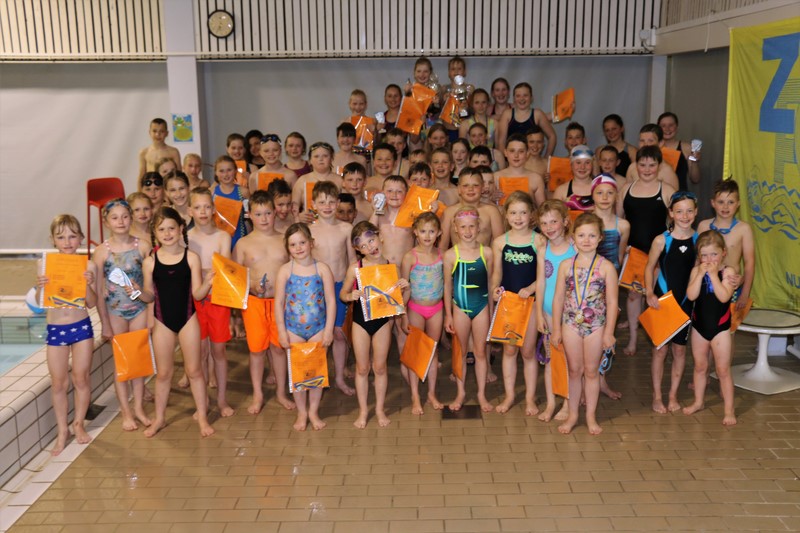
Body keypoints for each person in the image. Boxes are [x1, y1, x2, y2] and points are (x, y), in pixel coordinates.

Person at [136, 207, 215, 438]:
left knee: (194, 370)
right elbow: (149, 296)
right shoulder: (150, 262)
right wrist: (136, 292)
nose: (167, 233)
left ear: (181, 229)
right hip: (162, 321)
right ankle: (159, 418)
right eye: (161, 229)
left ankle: (202, 416)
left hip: (188, 319)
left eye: (171, 228)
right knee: (163, 373)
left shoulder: (191, 258)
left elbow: (197, 294)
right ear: (154, 232)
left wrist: (208, 283)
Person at [551, 213, 618, 435]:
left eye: (591, 235)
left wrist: (609, 332)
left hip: (596, 326)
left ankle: (590, 416)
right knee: (574, 370)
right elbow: (558, 298)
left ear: (600, 238)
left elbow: (612, 302)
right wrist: (556, 329)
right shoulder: (565, 266)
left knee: (591, 371)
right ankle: (572, 415)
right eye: (581, 235)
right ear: (573, 237)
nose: (586, 240)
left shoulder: (606, 267)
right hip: (570, 324)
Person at [38, 215, 98, 455]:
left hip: (81, 327)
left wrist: (88, 285)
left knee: (81, 379)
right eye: (61, 237)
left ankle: (78, 424)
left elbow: (92, 303)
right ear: (53, 240)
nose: (67, 242)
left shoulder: (88, 266)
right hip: (56, 329)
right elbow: (41, 303)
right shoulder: (45, 265)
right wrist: (41, 287)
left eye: (72, 236)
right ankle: (62, 430)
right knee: (58, 383)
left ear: (81, 238)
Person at [340, 221, 409, 428]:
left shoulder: (392, 267)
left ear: (380, 237)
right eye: (363, 245)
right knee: (362, 368)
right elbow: (343, 293)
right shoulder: (356, 269)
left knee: (379, 367)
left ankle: (379, 409)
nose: (370, 247)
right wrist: (350, 295)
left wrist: (404, 287)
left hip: (382, 322)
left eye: (371, 240)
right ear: (358, 250)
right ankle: (363, 410)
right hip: (361, 321)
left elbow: (399, 301)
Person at [233, 191, 297, 414]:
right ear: (249, 215)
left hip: (280, 303)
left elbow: (295, 269)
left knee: (279, 349)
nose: (264, 218)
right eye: (258, 214)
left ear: (275, 213)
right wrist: (251, 286)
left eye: (268, 213)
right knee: (257, 351)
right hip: (254, 303)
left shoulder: (284, 239)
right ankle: (258, 394)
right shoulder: (243, 243)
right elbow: (235, 276)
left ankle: (281, 392)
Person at [92, 198, 152, 432]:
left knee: (138, 362)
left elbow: (151, 286)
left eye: (125, 216)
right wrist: (105, 324)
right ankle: (125, 412)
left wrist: (151, 314)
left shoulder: (143, 246)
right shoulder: (101, 252)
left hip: (139, 310)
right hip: (114, 312)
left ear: (131, 218)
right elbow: (99, 292)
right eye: (115, 218)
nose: (121, 221)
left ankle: (138, 408)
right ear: (106, 222)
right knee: (122, 364)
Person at [274, 223, 337, 431]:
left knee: (317, 373)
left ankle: (313, 411)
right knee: (299, 373)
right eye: (293, 244)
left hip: (318, 328)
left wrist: (328, 330)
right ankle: (302, 412)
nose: (298, 247)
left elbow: (331, 301)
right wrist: (282, 332)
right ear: (287, 247)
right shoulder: (285, 271)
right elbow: (278, 303)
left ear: (311, 243)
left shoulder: (322, 269)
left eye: (302, 242)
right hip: (294, 330)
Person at [643, 191, 699, 414]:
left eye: (689, 211)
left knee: (679, 351)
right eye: (679, 211)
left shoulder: (699, 240)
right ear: (671, 213)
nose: (685, 216)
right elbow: (649, 268)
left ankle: (673, 394)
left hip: (686, 302)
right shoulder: (661, 240)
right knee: (660, 351)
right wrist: (649, 292)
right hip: (663, 301)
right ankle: (657, 396)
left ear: (696, 212)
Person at [619, 146, 677, 356]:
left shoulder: (667, 190)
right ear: (636, 165)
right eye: (642, 165)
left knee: (656, 296)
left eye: (652, 165)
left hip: (658, 252)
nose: (647, 169)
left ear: (659, 166)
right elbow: (619, 222)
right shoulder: (626, 189)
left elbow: (677, 223)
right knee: (633, 295)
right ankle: (633, 340)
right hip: (634, 251)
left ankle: (658, 338)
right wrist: (622, 249)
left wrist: (668, 249)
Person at [490, 191, 541, 415]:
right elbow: (497, 273)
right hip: (509, 304)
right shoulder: (500, 242)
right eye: (513, 213)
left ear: (531, 215)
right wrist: (495, 288)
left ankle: (530, 398)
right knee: (509, 351)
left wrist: (531, 288)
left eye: (523, 212)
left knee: (528, 352)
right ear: (506, 215)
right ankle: (510, 395)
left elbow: (545, 274)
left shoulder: (539, 241)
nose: (518, 217)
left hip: (530, 303)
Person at [186, 187, 235, 417]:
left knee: (219, 351)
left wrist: (203, 271)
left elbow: (224, 269)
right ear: (190, 211)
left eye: (207, 206)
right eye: (198, 207)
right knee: (201, 352)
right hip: (194, 301)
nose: (203, 211)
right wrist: (206, 272)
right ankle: (203, 401)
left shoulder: (223, 236)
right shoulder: (186, 238)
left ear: (214, 209)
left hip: (218, 300)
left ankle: (222, 400)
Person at [444, 207, 495, 412]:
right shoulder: (450, 255)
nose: (467, 231)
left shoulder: (487, 252)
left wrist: (491, 312)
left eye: (471, 226)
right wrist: (448, 315)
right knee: (461, 352)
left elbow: (490, 284)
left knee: (481, 352)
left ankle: (482, 394)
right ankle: (461, 392)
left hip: (481, 307)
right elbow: (447, 287)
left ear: (478, 227)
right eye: (463, 227)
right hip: (460, 308)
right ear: (456, 229)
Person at [684, 230, 737, 425]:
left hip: (720, 329)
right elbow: (691, 296)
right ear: (699, 256)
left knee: (723, 370)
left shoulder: (728, 272)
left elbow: (724, 297)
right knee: (700, 367)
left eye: (714, 254)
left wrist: (714, 276)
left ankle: (729, 410)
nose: (709, 259)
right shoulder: (695, 271)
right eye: (704, 255)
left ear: (723, 253)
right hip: (699, 327)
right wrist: (699, 274)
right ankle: (698, 401)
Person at [310, 181, 357, 396]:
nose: (327, 206)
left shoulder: (346, 228)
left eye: (331, 202)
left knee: (339, 333)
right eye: (322, 202)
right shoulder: (309, 230)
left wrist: (353, 285)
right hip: (317, 289)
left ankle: (338, 377)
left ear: (337, 203)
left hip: (340, 286)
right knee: (318, 334)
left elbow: (353, 259)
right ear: (313, 204)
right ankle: (318, 377)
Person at [400, 212, 445, 415]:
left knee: (433, 351)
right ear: (415, 232)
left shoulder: (442, 255)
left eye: (431, 231)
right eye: (423, 231)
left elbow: (446, 284)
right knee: (416, 352)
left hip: (436, 309)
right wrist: (403, 315)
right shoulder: (410, 257)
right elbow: (404, 288)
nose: (427, 235)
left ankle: (431, 394)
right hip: (415, 308)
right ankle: (415, 396)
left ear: (439, 233)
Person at [535, 200, 575, 422]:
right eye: (544, 223)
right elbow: (541, 282)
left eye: (553, 222)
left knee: (568, 359)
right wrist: (539, 313)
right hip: (549, 312)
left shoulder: (575, 247)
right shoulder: (543, 250)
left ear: (565, 222)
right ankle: (551, 403)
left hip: (570, 313)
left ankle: (568, 402)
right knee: (551, 359)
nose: (549, 227)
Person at [591, 175, 630, 401]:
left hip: (609, 287)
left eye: (609, 193)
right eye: (600, 192)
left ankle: (601, 381)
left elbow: (620, 258)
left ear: (616, 196)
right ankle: (586, 381)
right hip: (587, 287)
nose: (605, 197)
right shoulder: (584, 222)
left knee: (607, 336)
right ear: (592, 195)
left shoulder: (622, 225)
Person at [696, 179, 755, 311]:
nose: (725, 207)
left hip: (731, 285)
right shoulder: (703, 226)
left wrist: (744, 293)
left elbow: (749, 263)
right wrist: (693, 282)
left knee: (729, 323)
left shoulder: (743, 229)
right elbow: (696, 260)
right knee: (706, 320)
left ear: (738, 204)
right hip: (706, 284)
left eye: (731, 202)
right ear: (713, 203)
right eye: (721, 202)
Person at [441, 168, 504, 251]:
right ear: (459, 189)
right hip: (457, 258)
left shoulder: (492, 212)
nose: (470, 189)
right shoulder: (449, 212)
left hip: (484, 258)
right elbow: (442, 247)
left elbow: (499, 245)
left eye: (475, 185)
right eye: (465, 185)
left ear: (482, 187)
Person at [496, 82, 557, 156]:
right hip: (512, 159)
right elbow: (501, 141)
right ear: (514, 98)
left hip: (532, 160)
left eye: (525, 95)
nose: (522, 99)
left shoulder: (537, 114)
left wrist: (547, 158)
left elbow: (552, 136)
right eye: (518, 96)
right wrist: (503, 160)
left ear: (531, 98)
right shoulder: (507, 114)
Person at [494, 133, 547, 208]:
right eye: (512, 151)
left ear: (527, 153)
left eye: (521, 151)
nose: (516, 155)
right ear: (505, 152)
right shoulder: (496, 177)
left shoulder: (536, 178)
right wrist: (491, 198)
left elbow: (542, 210)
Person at [293, 142, 341, 221]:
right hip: (308, 226)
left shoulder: (340, 181)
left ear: (331, 159)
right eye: (316, 156)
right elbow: (293, 208)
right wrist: (298, 217)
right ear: (310, 160)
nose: (320, 159)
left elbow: (346, 206)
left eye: (325, 156)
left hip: (334, 224)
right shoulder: (302, 181)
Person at [212, 155, 249, 250]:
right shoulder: (212, 192)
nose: (226, 174)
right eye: (221, 171)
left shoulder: (243, 192)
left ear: (235, 171)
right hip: (218, 240)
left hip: (239, 238)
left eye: (229, 170)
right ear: (216, 173)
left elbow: (249, 217)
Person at [625, 124, 679, 190]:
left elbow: (674, 196)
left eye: (650, 141)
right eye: (642, 141)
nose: (645, 144)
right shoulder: (632, 167)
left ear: (661, 143)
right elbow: (626, 193)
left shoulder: (667, 171)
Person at [658, 112, 701, 189]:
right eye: (663, 126)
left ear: (677, 127)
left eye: (671, 125)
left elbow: (695, 179)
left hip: (680, 193)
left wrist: (695, 162)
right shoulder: (653, 148)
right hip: (657, 193)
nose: (667, 129)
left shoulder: (686, 148)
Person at [554, 145, 596, 212]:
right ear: (571, 165)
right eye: (578, 162)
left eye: (587, 163)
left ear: (592, 165)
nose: (582, 167)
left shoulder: (600, 188)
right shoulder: (561, 191)